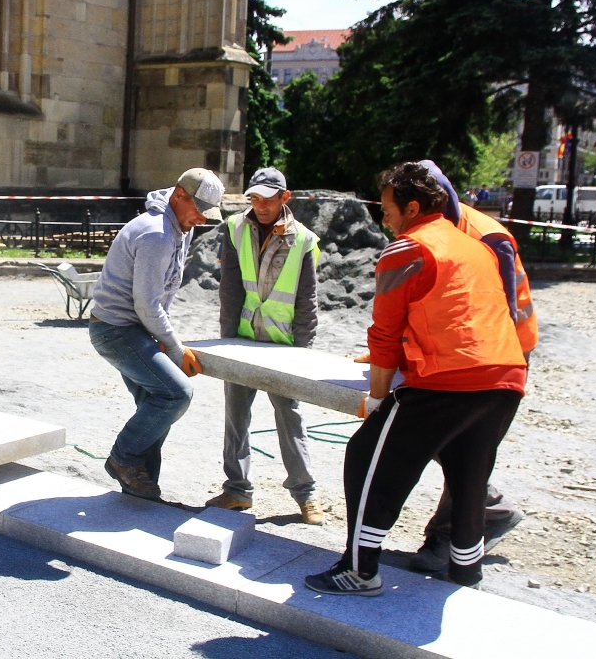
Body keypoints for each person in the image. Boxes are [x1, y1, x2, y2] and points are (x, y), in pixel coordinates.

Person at [305, 162, 527, 596]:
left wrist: (377, 398)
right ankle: (466, 572)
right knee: (468, 475)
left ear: (410, 207)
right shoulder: (473, 246)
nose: (382, 217)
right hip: (504, 378)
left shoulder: (406, 249)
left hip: (447, 381)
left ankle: (360, 569)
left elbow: (385, 334)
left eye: (387, 208)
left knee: (367, 456)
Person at [405, 160, 539, 572]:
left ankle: (448, 540)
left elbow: (496, 315)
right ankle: (491, 506)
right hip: (457, 350)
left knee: (464, 444)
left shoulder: (488, 238)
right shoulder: (428, 231)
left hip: (500, 353)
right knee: (445, 441)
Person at [89, 168, 225, 500]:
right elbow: (147, 304)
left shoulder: (178, 227)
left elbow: (161, 294)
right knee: (176, 394)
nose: (203, 220)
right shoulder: (156, 233)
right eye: (199, 211)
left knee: (154, 406)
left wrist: (163, 340)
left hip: (134, 328)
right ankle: (123, 458)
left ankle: (142, 489)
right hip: (116, 330)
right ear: (179, 195)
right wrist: (176, 350)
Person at [207, 168, 325, 524]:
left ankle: (306, 495)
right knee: (236, 419)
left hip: (283, 343)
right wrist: (228, 339)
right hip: (242, 337)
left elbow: (308, 298)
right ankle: (237, 491)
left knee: (289, 417)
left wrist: (302, 348)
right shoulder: (235, 228)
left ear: (284, 198)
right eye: (254, 198)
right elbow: (229, 287)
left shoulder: (303, 240)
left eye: (267, 199)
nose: (259, 205)